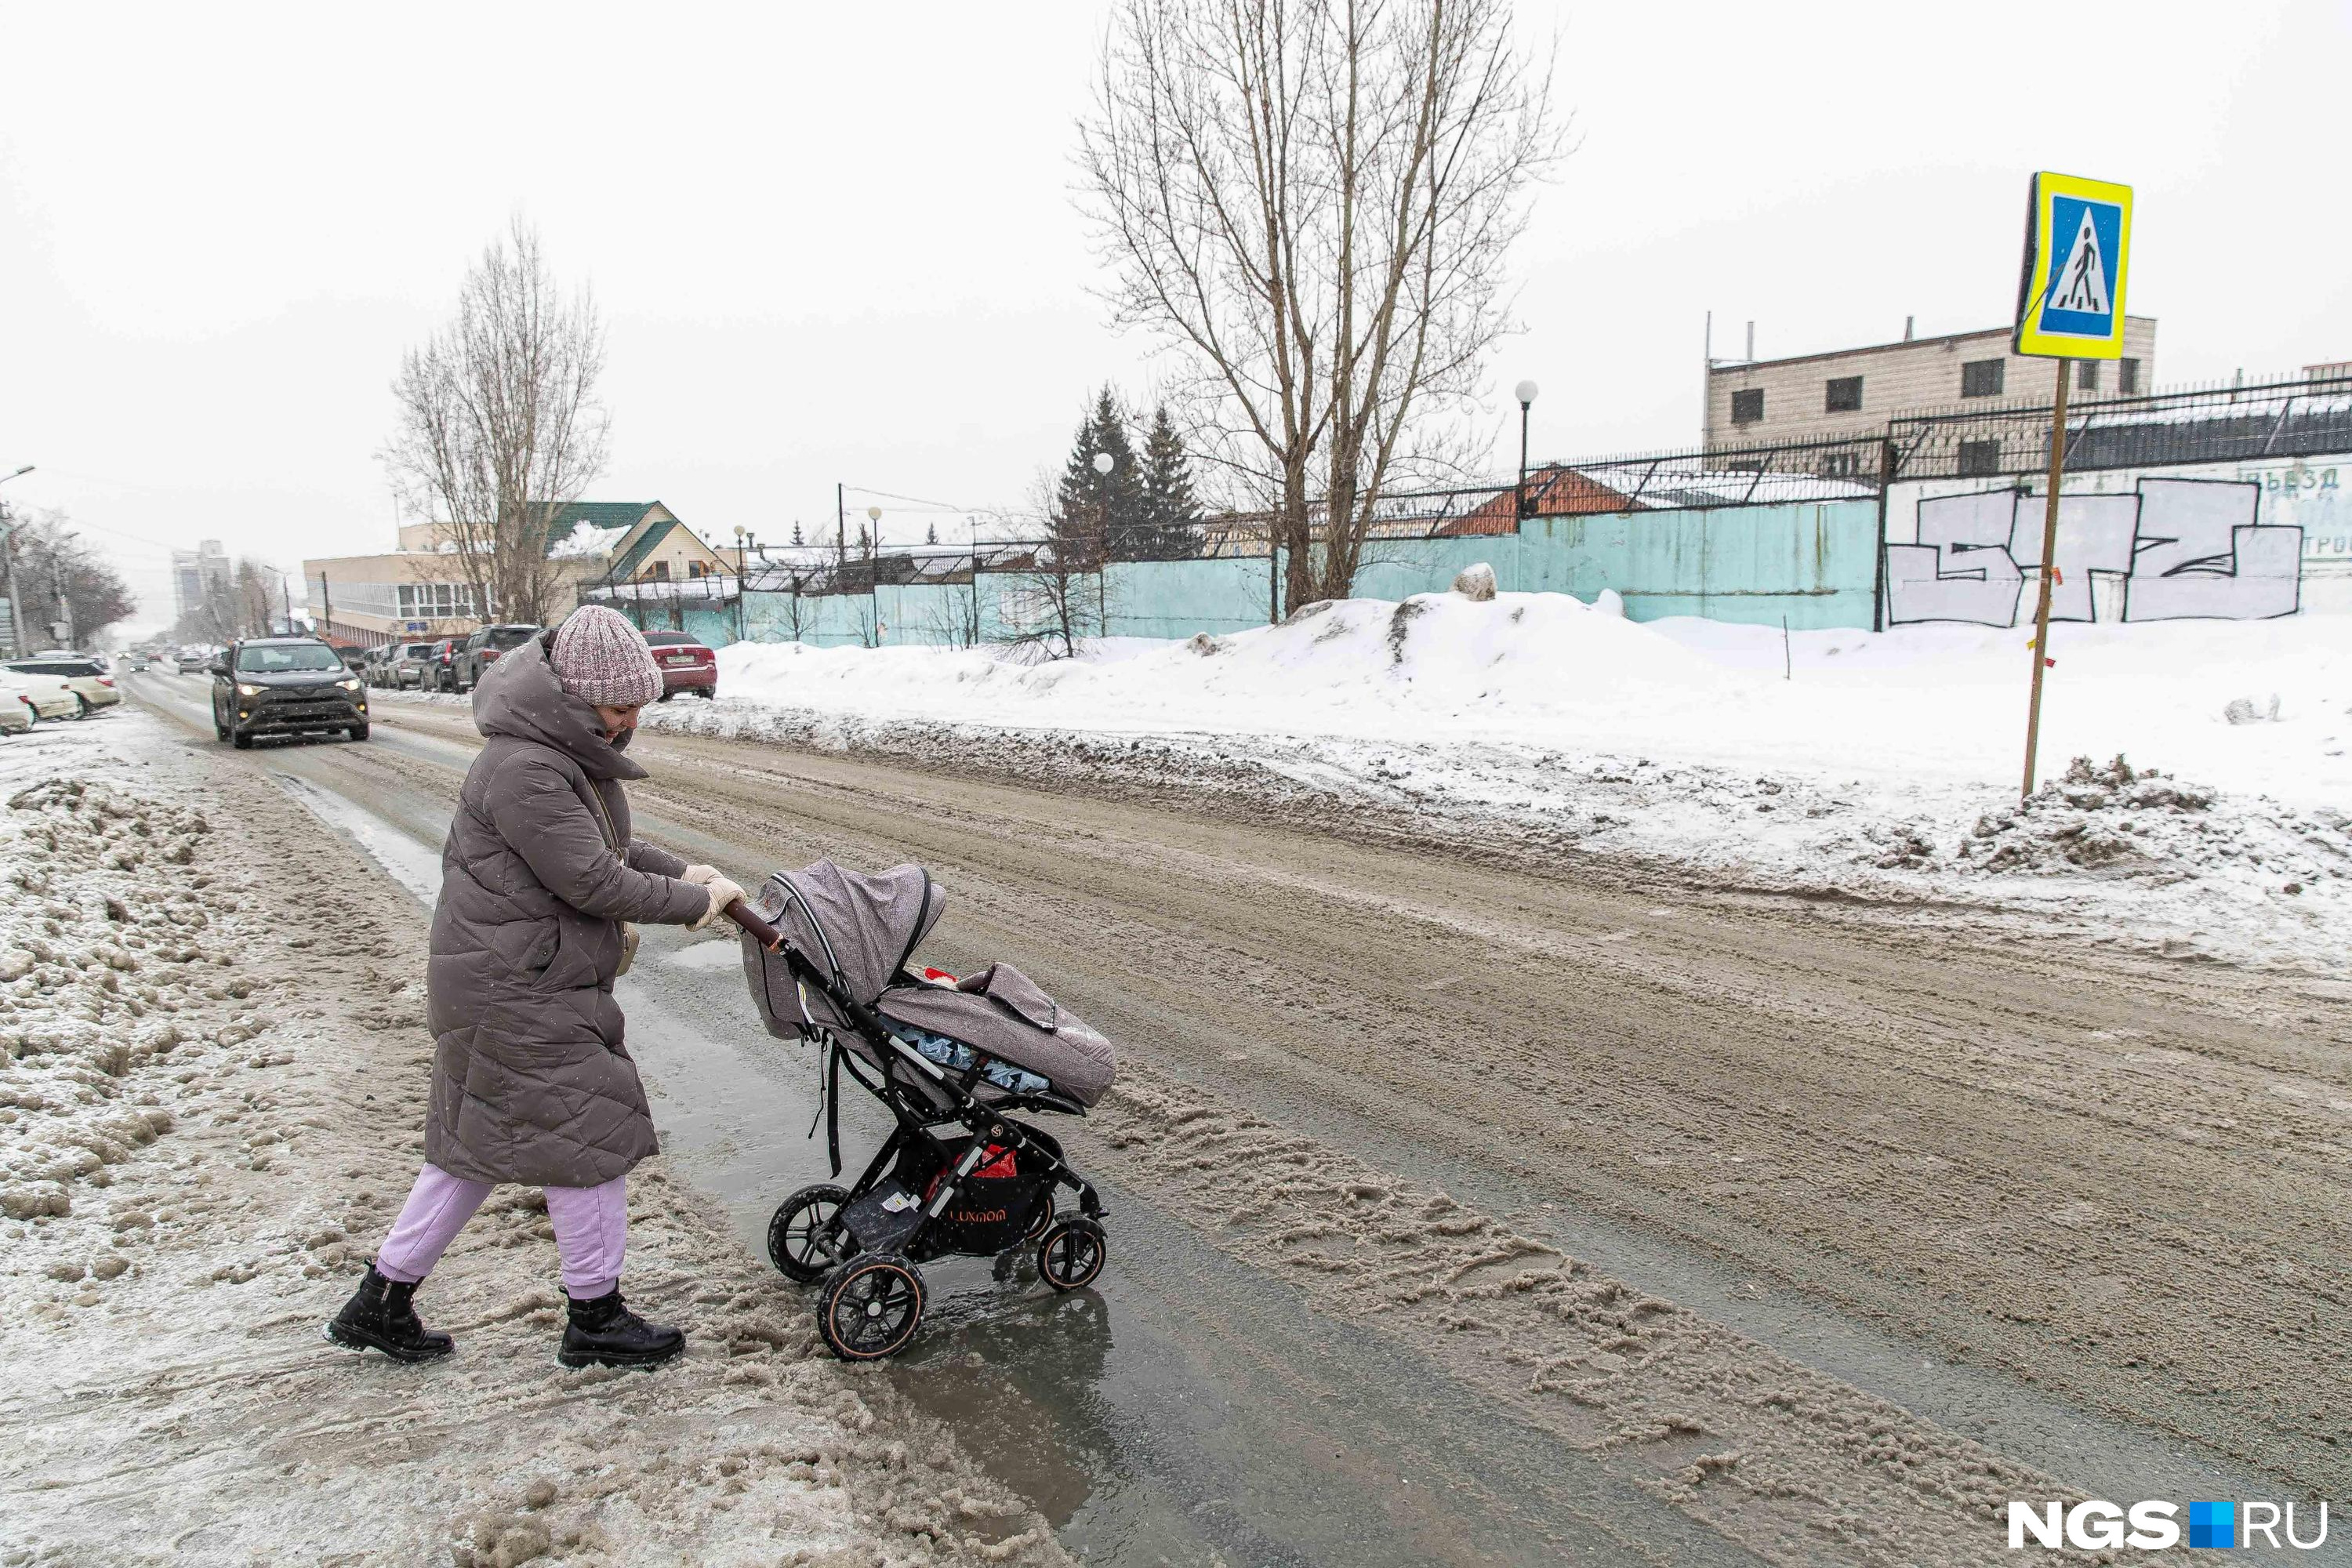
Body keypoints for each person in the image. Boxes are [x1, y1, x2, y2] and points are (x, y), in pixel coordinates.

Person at [327, 605, 746, 1368]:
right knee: (586, 1141)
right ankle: (595, 1316)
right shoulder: (528, 767)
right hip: (517, 987)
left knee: (467, 1153)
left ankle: (379, 1299)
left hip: (503, 977)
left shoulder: (553, 754)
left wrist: (685, 872)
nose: (628, 724)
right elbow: (589, 877)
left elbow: (609, 845)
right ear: (576, 697)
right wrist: (695, 905)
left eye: (637, 708)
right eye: (619, 709)